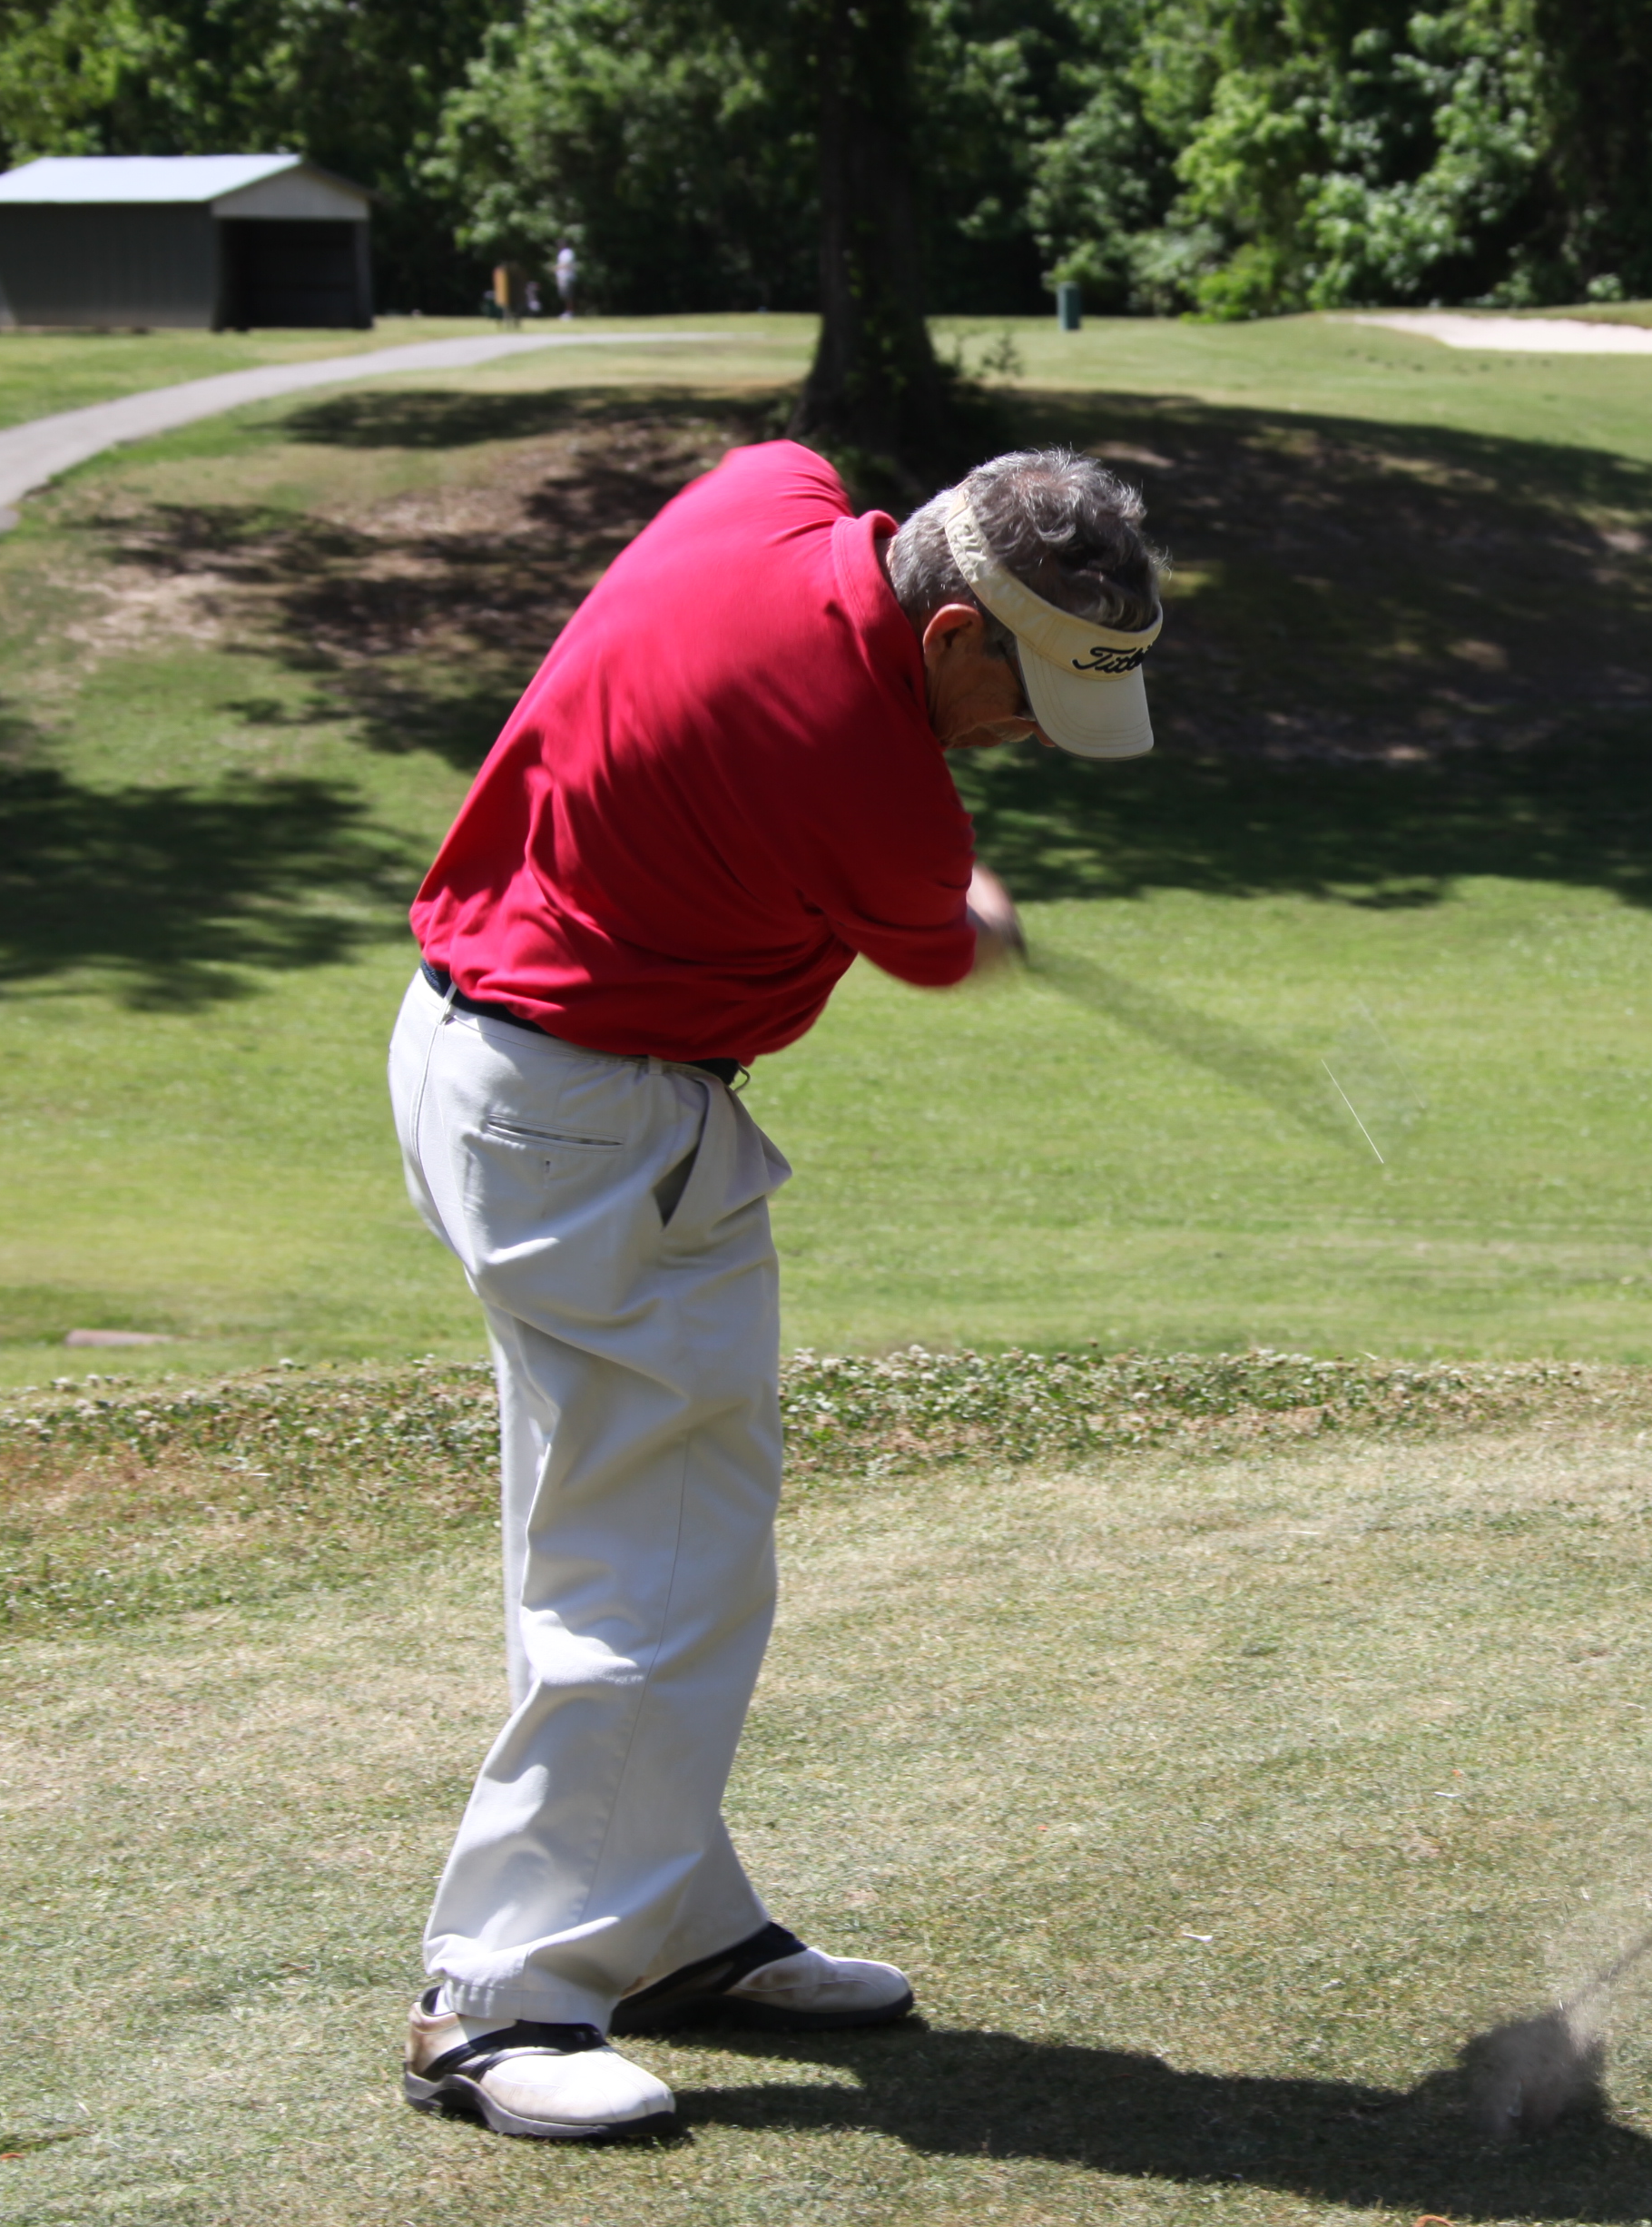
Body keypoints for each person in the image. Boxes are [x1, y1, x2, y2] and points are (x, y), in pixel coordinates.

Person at [385, 440, 1165, 2140]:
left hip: (490, 1057)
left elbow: (804, 722)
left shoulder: (768, 493)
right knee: (656, 1561)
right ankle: (502, 1994)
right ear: (957, 634)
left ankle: (669, 1926)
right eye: (1025, 700)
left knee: (617, 1524)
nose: (1025, 738)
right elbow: (929, 928)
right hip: (594, 1120)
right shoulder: (879, 785)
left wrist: (944, 886)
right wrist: (976, 908)